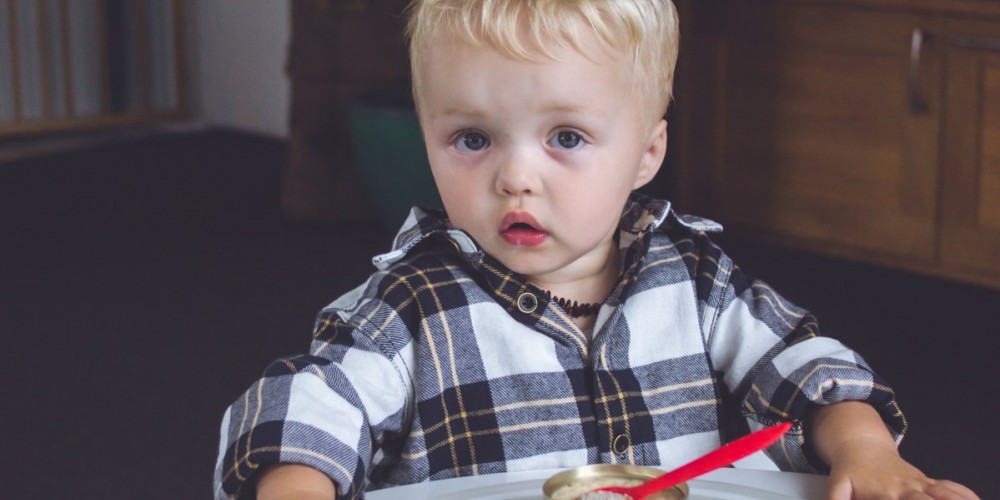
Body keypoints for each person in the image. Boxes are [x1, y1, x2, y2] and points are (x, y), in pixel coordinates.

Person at [214, 1, 979, 499]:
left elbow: (809, 365)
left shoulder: (699, 282)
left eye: (567, 138)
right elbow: (306, 408)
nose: (516, 176)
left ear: (645, 154)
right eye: (471, 139)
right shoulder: (412, 302)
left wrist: (870, 454)